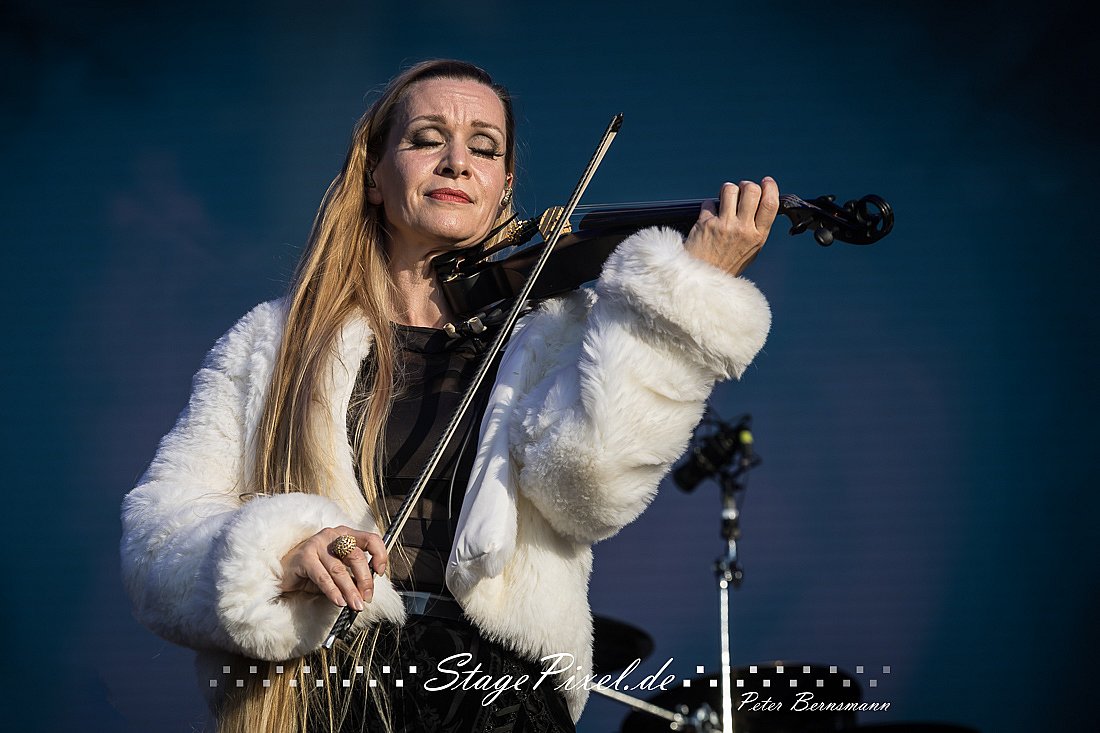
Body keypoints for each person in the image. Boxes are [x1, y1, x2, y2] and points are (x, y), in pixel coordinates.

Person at [120, 59, 778, 733]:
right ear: (374, 175)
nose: (458, 162)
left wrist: (685, 301)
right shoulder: (274, 341)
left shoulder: (554, 332)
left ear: (503, 185)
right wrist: (282, 554)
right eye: (428, 139)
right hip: (325, 690)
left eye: (484, 149)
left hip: (500, 696)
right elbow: (158, 536)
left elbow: (589, 490)